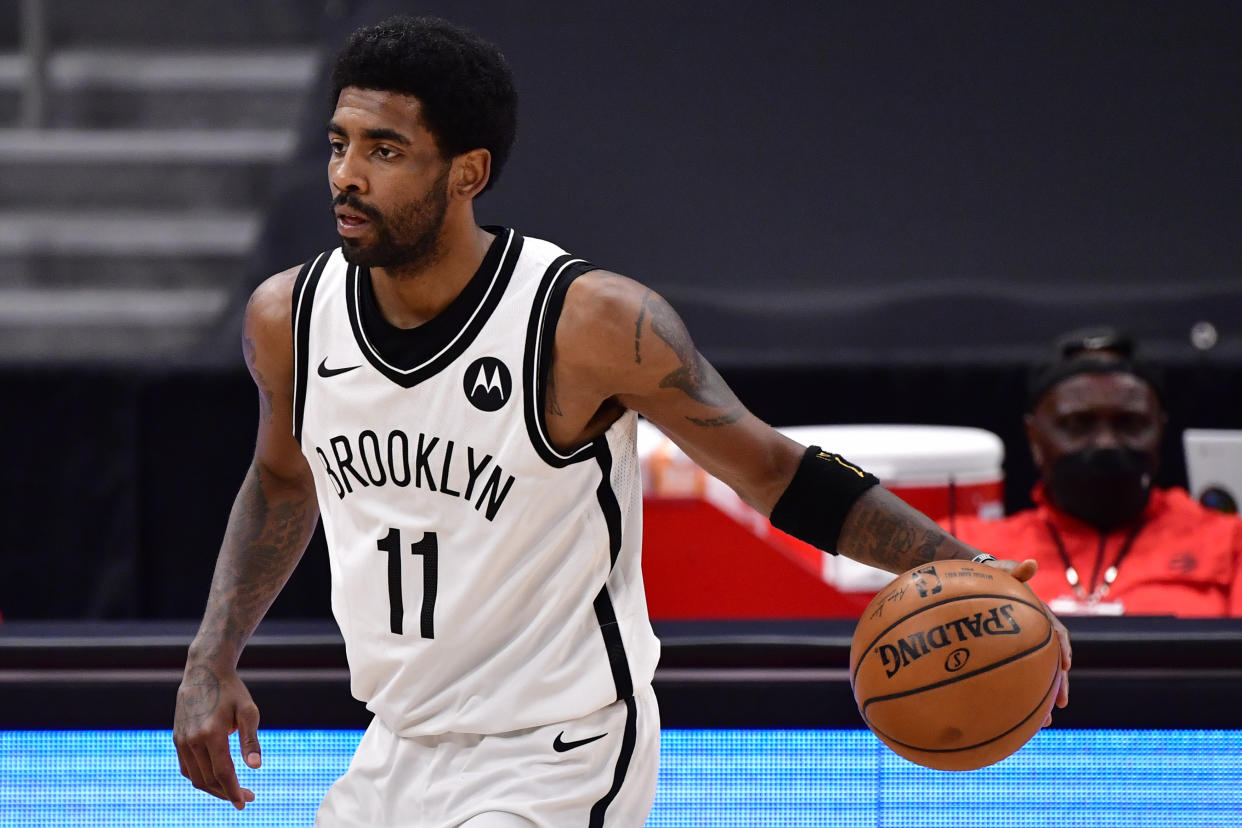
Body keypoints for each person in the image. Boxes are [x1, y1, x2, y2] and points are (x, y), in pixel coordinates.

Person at [173, 16, 1071, 826]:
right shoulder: (289, 318)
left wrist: (972, 568)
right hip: (396, 743)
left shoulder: (587, 321)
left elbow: (769, 467)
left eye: (386, 149)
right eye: (338, 144)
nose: (347, 174)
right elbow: (283, 480)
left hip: (559, 752)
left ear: (467, 172)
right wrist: (212, 656)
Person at [947, 326, 1242, 617]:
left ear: (1160, 431)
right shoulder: (963, 546)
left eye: (1129, 423)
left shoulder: (1229, 543)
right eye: (1078, 424)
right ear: (1034, 438)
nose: (1106, 443)